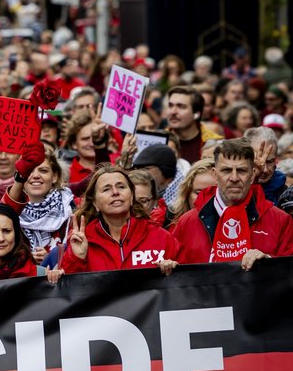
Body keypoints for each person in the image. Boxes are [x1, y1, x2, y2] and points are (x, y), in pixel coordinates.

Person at [169, 138, 293, 267]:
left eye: (241, 171)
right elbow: (176, 275)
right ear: (215, 175)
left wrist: (268, 261)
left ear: (252, 175)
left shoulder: (280, 220)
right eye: (226, 170)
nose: (234, 178)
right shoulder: (188, 222)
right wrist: (168, 266)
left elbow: (289, 275)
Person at [53, 166, 181, 278]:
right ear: (95, 203)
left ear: (131, 197)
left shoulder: (162, 238)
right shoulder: (82, 241)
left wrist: (175, 271)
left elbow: (186, 286)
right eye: (106, 189)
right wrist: (77, 259)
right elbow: (70, 293)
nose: (115, 192)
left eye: (121, 187)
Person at [3, 145, 72, 263]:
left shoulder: (71, 209)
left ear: (54, 176)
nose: (35, 175)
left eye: (43, 170)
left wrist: (51, 259)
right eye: (29, 171)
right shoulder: (11, 212)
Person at [166, 86, 223, 164]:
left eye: (181, 107)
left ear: (196, 114)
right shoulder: (158, 140)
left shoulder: (215, 144)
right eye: (170, 105)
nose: (173, 111)